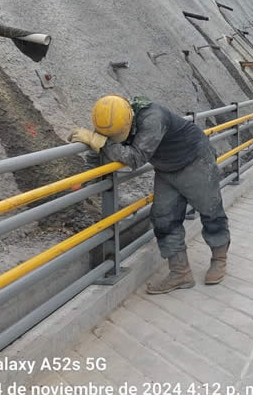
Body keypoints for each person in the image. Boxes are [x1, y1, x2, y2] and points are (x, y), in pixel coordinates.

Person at [70, 95, 230, 294]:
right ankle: (180, 273)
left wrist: (101, 143)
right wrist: (86, 177)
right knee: (164, 219)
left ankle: (219, 259)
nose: (112, 136)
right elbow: (98, 147)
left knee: (210, 210)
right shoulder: (110, 119)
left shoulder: (152, 118)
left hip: (195, 161)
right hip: (166, 168)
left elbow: (135, 158)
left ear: (129, 118)